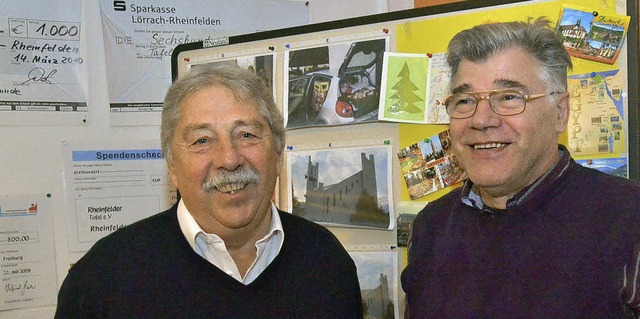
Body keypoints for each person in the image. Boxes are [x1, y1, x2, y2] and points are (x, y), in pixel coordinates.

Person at [55, 64, 363, 318]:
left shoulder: (326, 261)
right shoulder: (103, 279)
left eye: (246, 134)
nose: (229, 159)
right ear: (172, 166)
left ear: (278, 153)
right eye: (202, 140)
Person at [401, 18, 640, 318]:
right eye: (464, 100)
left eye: (509, 97)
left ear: (560, 112)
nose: (481, 119)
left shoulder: (628, 217)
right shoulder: (430, 227)